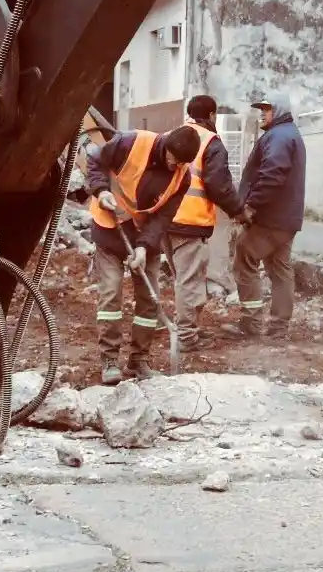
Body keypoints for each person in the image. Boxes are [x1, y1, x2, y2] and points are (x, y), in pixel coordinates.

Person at [86, 125, 201, 384]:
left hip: (144, 236)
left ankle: (139, 360)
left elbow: (162, 219)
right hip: (110, 227)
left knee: (149, 299)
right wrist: (101, 190)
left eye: (182, 163)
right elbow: (95, 160)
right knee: (111, 292)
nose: (176, 166)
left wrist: (143, 247)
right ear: (167, 146)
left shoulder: (182, 177)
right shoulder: (131, 142)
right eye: (175, 159)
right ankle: (109, 359)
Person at [164, 95, 246, 354]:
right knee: (189, 282)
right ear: (212, 115)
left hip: (165, 220)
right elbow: (218, 185)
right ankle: (186, 337)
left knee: (182, 280)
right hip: (190, 221)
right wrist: (239, 211)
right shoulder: (211, 142)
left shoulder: (172, 135)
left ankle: (185, 327)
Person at [225, 91, 307, 339]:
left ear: (279, 110)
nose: (262, 113)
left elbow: (272, 174)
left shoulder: (279, 136)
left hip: (271, 218)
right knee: (279, 269)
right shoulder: (287, 134)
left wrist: (250, 206)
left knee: (244, 258)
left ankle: (251, 324)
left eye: (267, 109)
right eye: (261, 109)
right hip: (285, 219)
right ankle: (278, 328)